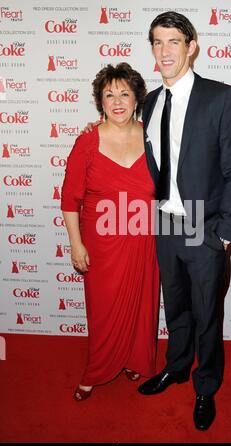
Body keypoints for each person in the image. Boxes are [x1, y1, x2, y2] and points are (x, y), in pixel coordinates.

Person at [136, 11, 231, 431]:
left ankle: (205, 387)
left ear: (192, 46)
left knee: (207, 313)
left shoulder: (221, 97)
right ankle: (177, 367)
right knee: (177, 307)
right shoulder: (149, 102)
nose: (165, 51)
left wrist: (224, 233)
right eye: (157, 43)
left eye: (173, 42)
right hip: (165, 225)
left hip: (206, 227)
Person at [61, 63, 159, 401]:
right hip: (101, 245)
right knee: (103, 311)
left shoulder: (153, 136)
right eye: (109, 94)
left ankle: (134, 359)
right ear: (100, 101)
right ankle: (98, 369)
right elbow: (70, 200)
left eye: (124, 93)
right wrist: (76, 245)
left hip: (145, 241)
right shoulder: (87, 142)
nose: (117, 101)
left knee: (142, 306)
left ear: (136, 99)